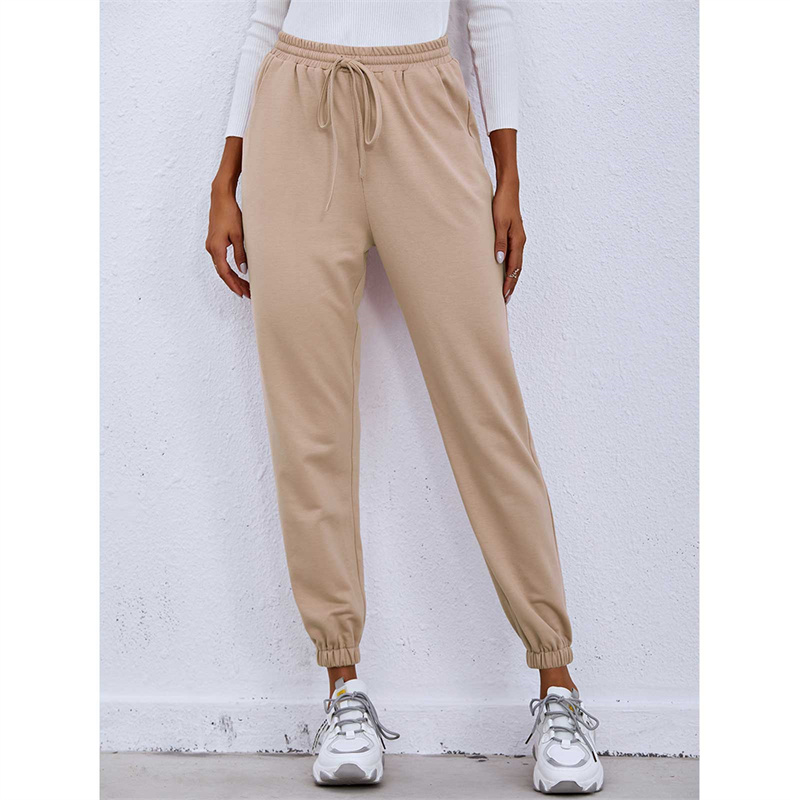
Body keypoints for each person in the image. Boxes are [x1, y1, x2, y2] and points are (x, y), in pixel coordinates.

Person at [206, 1, 604, 793]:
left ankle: (558, 685)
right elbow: (262, 20)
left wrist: (508, 175)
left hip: (426, 113)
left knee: (485, 410)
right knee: (308, 421)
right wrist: (225, 177)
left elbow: (489, 18)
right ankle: (343, 691)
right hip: (295, 115)